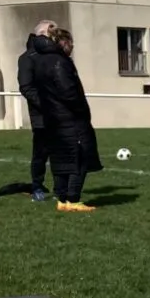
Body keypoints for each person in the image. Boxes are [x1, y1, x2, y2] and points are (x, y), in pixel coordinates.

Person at [33, 28, 102, 212]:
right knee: (79, 158)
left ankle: (62, 199)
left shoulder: (40, 61)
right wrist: (80, 110)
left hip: (52, 119)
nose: (72, 47)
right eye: (71, 43)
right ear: (63, 42)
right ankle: (73, 199)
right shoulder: (60, 62)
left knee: (61, 159)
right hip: (70, 119)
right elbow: (68, 91)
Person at [17, 20, 58, 201]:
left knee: (62, 152)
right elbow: (26, 87)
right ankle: (37, 186)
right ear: (42, 34)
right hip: (42, 115)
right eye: (52, 33)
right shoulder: (27, 57)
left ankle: (61, 188)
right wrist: (47, 103)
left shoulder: (55, 55)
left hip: (60, 112)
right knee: (41, 152)